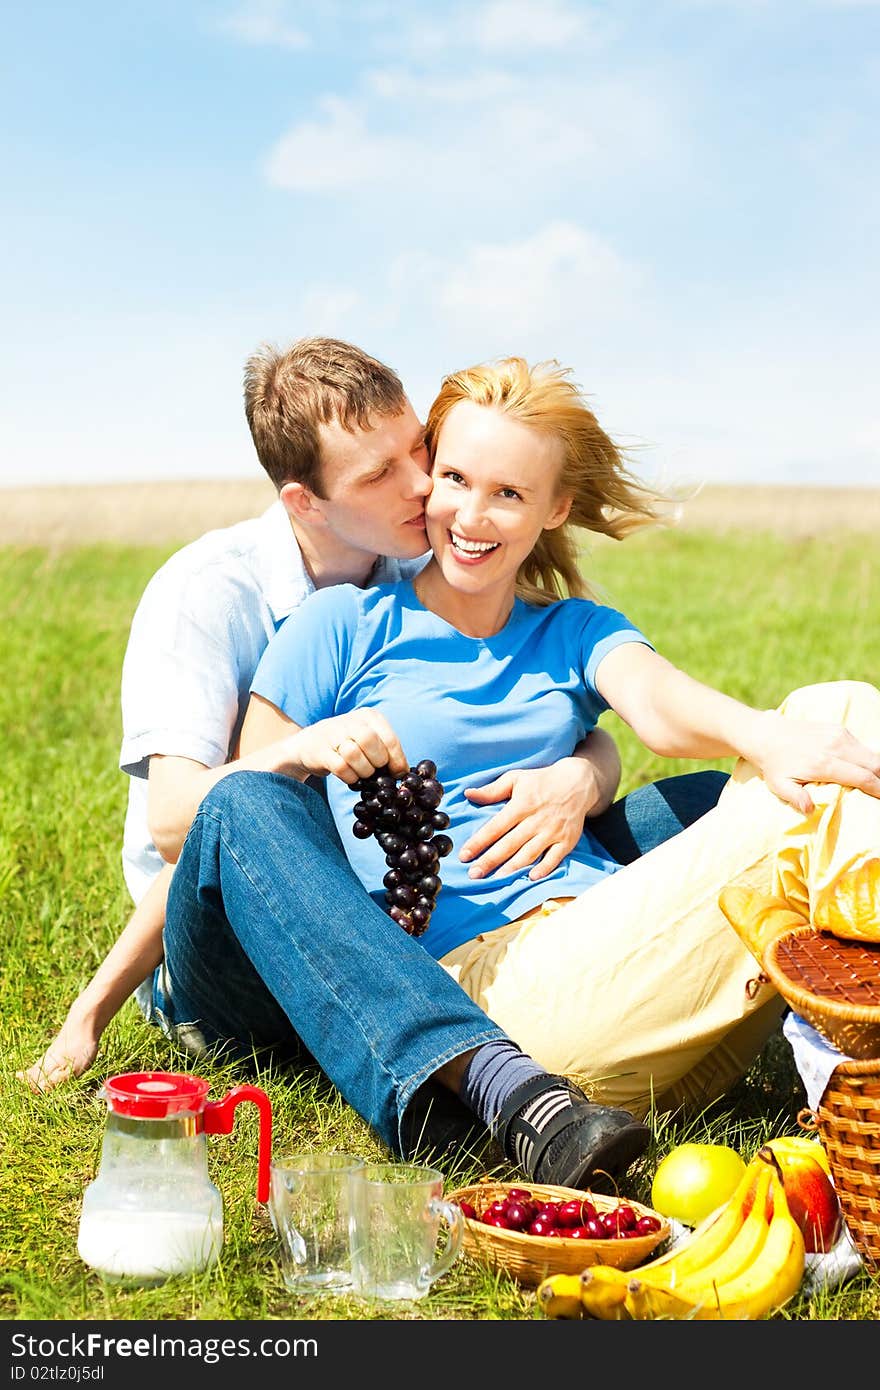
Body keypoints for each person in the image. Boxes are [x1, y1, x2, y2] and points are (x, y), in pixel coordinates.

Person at [22, 339, 726, 1105]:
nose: (425, 485)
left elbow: (561, 700)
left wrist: (584, 774)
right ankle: (485, 1076)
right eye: (380, 473)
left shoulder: (417, 557)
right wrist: (89, 1014)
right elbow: (190, 829)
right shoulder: (209, 596)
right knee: (256, 802)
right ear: (306, 503)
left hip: (393, 902)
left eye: (419, 450)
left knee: (704, 803)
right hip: (238, 939)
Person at [206, 353, 880, 1139]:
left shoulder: (572, 630)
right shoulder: (343, 627)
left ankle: (855, 1019)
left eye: (509, 494)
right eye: (454, 478)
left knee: (840, 713)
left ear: (554, 508)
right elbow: (254, 815)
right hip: (504, 1011)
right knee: (840, 726)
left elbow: (657, 705)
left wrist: (742, 736)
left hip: (644, 979)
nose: (470, 516)